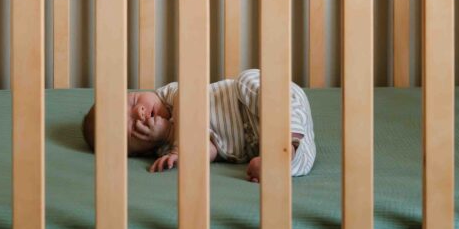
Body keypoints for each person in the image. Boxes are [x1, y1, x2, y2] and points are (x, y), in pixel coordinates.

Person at [81, 69, 316, 181]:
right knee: (296, 158)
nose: (139, 112)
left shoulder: (169, 96)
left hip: (254, 101)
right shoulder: (163, 152)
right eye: (133, 127)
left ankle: (289, 137)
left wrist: (177, 142)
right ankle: (286, 158)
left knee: (249, 79)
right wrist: (173, 141)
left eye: (133, 101)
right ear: (135, 153)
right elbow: (210, 151)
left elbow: (190, 101)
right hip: (262, 138)